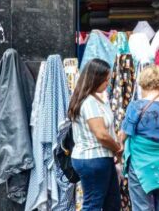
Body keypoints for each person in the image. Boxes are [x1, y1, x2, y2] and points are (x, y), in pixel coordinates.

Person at [118, 65, 159, 211]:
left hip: (141, 166)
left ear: (143, 83)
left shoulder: (136, 107)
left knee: (142, 208)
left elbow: (124, 135)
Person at [68, 58, 122, 211]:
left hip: (99, 158)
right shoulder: (89, 102)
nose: (108, 82)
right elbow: (101, 134)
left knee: (111, 203)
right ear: (95, 79)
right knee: (93, 204)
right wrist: (117, 148)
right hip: (93, 159)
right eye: (105, 79)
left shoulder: (94, 98)